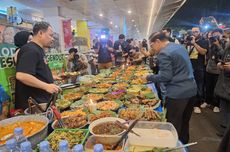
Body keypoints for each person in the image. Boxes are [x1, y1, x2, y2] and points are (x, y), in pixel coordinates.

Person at [144, 32, 197, 144]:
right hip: (191, 90)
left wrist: (148, 77)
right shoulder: (179, 47)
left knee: (173, 123)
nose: (152, 48)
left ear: (158, 41)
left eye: (152, 45)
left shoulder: (164, 53)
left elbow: (165, 76)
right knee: (184, 121)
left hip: (177, 93)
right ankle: (183, 144)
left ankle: (172, 146)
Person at [15, 21, 61, 110]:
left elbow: (35, 71)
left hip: (42, 101)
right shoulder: (30, 50)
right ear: (40, 33)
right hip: (34, 104)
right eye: (50, 35)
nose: (52, 39)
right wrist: (46, 86)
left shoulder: (38, 49)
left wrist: (50, 76)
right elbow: (22, 75)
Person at [185, 27, 209, 114]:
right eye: (193, 32)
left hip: (199, 67)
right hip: (189, 67)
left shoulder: (204, 41)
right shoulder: (188, 41)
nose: (194, 33)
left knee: (199, 86)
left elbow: (203, 52)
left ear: (200, 32)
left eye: (196, 31)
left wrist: (194, 43)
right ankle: (191, 103)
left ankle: (197, 104)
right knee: (189, 86)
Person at [203, 29, 225, 112]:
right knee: (208, 87)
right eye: (214, 35)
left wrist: (218, 45)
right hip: (209, 69)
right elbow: (207, 55)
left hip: (218, 71)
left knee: (216, 88)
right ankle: (207, 101)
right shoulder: (209, 43)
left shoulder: (224, 43)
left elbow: (223, 54)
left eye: (217, 35)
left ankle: (216, 104)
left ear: (221, 35)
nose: (215, 37)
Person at [214, 41, 230, 137]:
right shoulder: (227, 48)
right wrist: (220, 64)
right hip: (224, 85)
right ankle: (224, 131)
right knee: (224, 108)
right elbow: (221, 60)